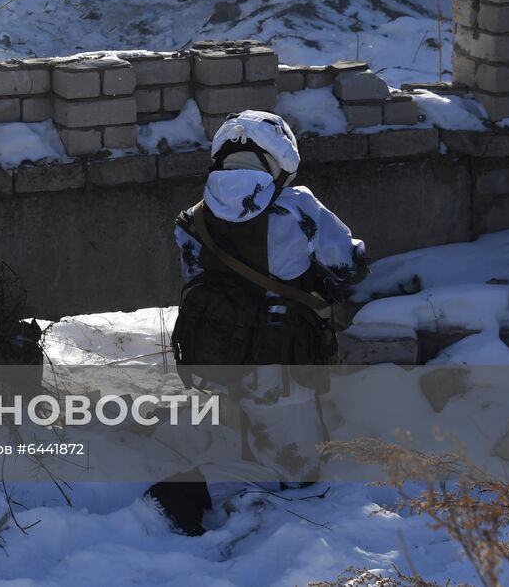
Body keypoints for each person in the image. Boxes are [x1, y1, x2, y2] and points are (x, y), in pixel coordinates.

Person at [148, 109, 367, 536]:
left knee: (263, 433)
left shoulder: (192, 219)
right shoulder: (297, 205)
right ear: (279, 158)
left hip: (220, 355)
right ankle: (184, 492)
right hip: (281, 360)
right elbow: (348, 264)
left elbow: (199, 285)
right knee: (299, 475)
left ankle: (235, 471)